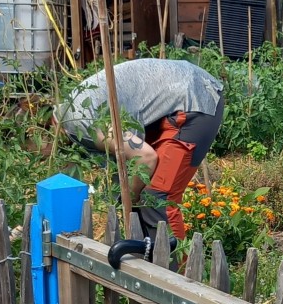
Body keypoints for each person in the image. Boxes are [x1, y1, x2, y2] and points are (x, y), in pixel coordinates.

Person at [55, 57, 224, 241]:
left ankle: (171, 260)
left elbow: (146, 157)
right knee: (142, 187)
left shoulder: (79, 124)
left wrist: (130, 198)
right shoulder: (74, 107)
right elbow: (125, 160)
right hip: (173, 97)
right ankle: (146, 254)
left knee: (157, 198)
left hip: (195, 99)